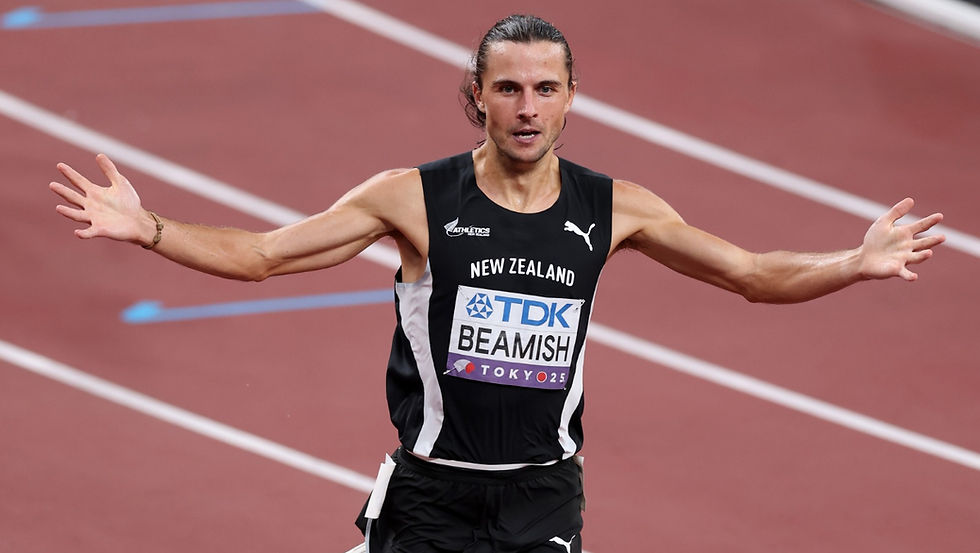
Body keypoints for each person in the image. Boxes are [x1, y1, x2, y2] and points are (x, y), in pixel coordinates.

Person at [49, 14, 944, 553]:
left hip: (542, 494)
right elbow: (268, 255)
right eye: (508, 87)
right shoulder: (412, 197)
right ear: (477, 93)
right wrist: (150, 228)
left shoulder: (615, 207)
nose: (526, 107)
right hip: (429, 493)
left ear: (570, 96)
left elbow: (749, 274)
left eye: (544, 88)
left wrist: (851, 264)